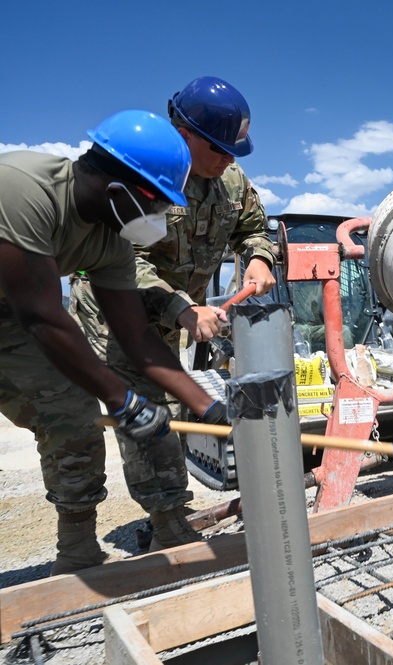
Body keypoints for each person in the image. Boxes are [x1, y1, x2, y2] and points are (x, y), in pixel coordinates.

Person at [0, 110, 228, 575]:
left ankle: (78, 547)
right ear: (120, 188)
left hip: (11, 315)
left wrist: (209, 408)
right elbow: (42, 315)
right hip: (23, 310)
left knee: (72, 412)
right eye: (158, 204)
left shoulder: (110, 244)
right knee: (97, 396)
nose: (160, 217)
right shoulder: (21, 188)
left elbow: (136, 338)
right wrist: (121, 399)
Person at [69, 77, 276, 552]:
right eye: (220, 148)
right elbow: (119, 258)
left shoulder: (231, 180)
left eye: (235, 150)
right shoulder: (148, 171)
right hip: (113, 316)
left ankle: (169, 510)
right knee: (142, 415)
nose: (229, 158)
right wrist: (182, 307)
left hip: (174, 318)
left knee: (176, 408)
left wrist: (259, 257)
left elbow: (254, 226)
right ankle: (154, 525)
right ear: (183, 132)